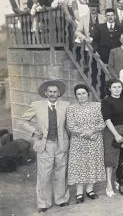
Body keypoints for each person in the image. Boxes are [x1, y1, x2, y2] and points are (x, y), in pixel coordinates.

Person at [20, 80, 70, 213]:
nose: (53, 94)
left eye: (55, 92)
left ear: (59, 93)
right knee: (44, 174)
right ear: (45, 93)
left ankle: (61, 199)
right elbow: (23, 121)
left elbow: (70, 124)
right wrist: (34, 131)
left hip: (61, 144)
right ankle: (44, 202)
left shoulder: (66, 105)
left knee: (61, 173)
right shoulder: (36, 105)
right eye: (50, 92)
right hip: (44, 145)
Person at [66, 84, 106, 203]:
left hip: (95, 140)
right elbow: (71, 126)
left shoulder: (97, 106)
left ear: (88, 94)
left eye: (83, 93)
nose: (81, 96)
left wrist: (92, 132)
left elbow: (102, 122)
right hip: (79, 142)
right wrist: (87, 134)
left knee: (93, 164)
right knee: (80, 165)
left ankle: (90, 190)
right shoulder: (71, 108)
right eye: (79, 94)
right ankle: (79, 192)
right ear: (76, 96)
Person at [101, 79, 123, 197]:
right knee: (110, 158)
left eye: (119, 87)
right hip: (112, 131)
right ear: (110, 88)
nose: (117, 89)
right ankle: (108, 184)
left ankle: (119, 180)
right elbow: (107, 120)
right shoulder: (106, 101)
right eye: (114, 87)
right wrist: (116, 134)